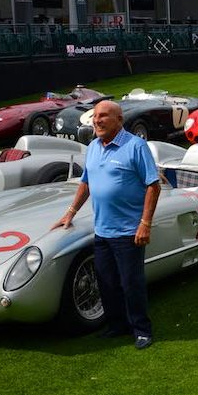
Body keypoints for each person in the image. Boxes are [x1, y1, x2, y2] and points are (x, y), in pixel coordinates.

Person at [54, 101, 161, 349]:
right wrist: (70, 212)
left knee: (130, 284)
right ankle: (117, 325)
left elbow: (152, 185)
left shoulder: (135, 146)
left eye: (103, 116)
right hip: (101, 230)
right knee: (106, 282)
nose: (97, 121)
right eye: (95, 117)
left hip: (128, 232)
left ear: (119, 119)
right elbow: (86, 183)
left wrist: (145, 223)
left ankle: (142, 330)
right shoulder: (92, 147)